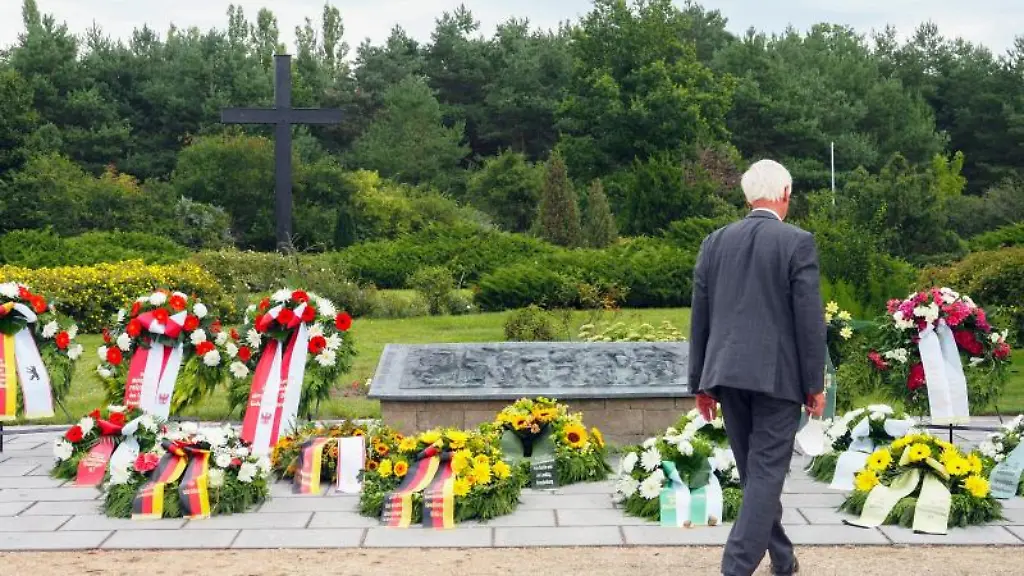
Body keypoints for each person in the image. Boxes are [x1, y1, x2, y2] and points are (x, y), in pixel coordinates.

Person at [688, 159, 826, 576]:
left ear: (748, 196)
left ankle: (782, 558)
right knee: (764, 474)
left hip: (726, 375)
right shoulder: (797, 242)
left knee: (755, 474)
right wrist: (814, 384)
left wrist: (701, 382)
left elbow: (701, 316)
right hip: (777, 378)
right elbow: (808, 320)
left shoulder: (714, 242)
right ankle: (736, 567)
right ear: (785, 194)